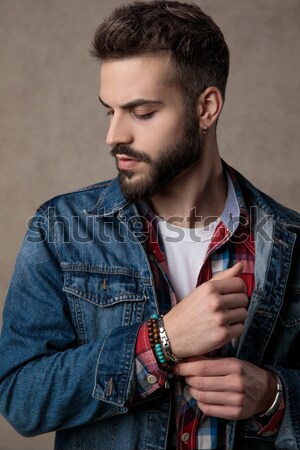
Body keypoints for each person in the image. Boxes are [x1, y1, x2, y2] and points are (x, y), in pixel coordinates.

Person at [0, 1, 299, 449]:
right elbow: (20, 398)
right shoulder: (59, 229)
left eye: (141, 113)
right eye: (110, 110)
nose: (114, 135)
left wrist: (274, 397)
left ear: (207, 108)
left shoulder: (290, 243)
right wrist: (160, 343)